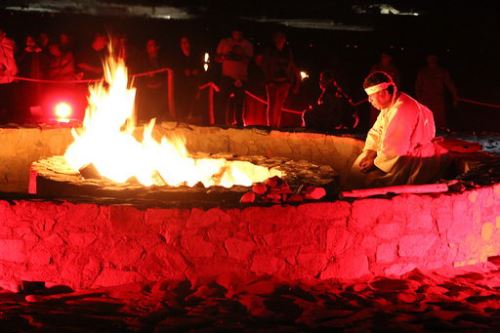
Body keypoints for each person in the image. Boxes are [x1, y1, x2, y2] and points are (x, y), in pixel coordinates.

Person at [348, 71, 449, 189]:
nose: (369, 100)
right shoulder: (390, 106)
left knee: (370, 182)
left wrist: (374, 163)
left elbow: (395, 148)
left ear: (384, 93)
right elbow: (376, 132)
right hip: (392, 157)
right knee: (359, 166)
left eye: (371, 96)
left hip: (410, 160)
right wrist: (370, 152)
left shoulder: (402, 108)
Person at [215, 28, 253, 126]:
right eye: (235, 32)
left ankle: (239, 123)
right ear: (232, 32)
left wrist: (239, 53)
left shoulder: (247, 44)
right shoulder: (225, 42)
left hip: (240, 78)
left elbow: (248, 60)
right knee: (222, 100)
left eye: (239, 32)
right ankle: (220, 123)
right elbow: (217, 58)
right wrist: (224, 57)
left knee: (239, 102)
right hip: (227, 76)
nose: (237, 34)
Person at [262, 31, 300, 128]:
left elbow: (291, 65)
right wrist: (269, 80)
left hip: (284, 81)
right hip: (272, 81)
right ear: (275, 39)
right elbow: (266, 64)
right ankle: (271, 125)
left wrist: (290, 81)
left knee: (279, 105)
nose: (280, 40)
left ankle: (276, 125)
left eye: (282, 38)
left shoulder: (287, 51)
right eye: (278, 38)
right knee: (272, 103)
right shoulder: (270, 50)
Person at [415, 53, 459, 130]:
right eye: (430, 58)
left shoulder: (442, 71)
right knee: (425, 117)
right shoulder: (423, 72)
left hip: (438, 97)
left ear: (436, 59)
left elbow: (449, 83)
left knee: (440, 117)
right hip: (426, 98)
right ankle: (425, 132)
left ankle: (441, 131)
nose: (432, 60)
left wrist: (455, 96)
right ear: (427, 60)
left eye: (433, 58)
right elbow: (418, 86)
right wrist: (419, 99)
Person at [172, 36, 203, 123]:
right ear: (181, 45)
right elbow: (176, 69)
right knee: (182, 101)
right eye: (183, 43)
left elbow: (200, 68)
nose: (186, 45)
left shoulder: (195, 56)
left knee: (192, 100)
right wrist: (183, 71)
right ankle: (182, 118)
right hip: (181, 84)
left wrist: (196, 71)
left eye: (187, 42)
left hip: (193, 83)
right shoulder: (178, 56)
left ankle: (190, 117)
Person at [368, 51, 400, 127]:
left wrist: (394, 94)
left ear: (390, 58)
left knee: (388, 114)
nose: (385, 58)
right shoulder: (376, 68)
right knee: (375, 115)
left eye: (386, 57)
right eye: (383, 57)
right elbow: (370, 81)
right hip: (376, 95)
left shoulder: (393, 70)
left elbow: (397, 83)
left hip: (388, 97)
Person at [0, 27, 18, 123]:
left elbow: (14, 57)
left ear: (3, 34)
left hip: (12, 78)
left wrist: (15, 72)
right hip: (1, 80)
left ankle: (11, 120)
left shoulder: (10, 43)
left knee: (11, 102)